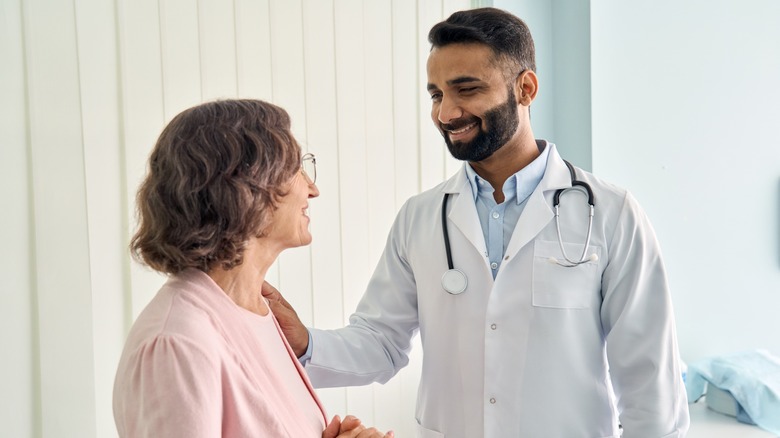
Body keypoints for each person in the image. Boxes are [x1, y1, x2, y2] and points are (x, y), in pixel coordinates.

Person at [263, 7, 690, 438]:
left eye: (466, 89)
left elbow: (649, 382)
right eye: (435, 95)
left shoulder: (611, 213)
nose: (447, 113)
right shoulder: (422, 217)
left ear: (525, 88)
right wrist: (303, 340)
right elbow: (380, 343)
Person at [113, 99, 393, 438]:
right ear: (247, 188)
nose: (312, 189)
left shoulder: (254, 314)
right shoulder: (178, 343)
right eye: (296, 167)